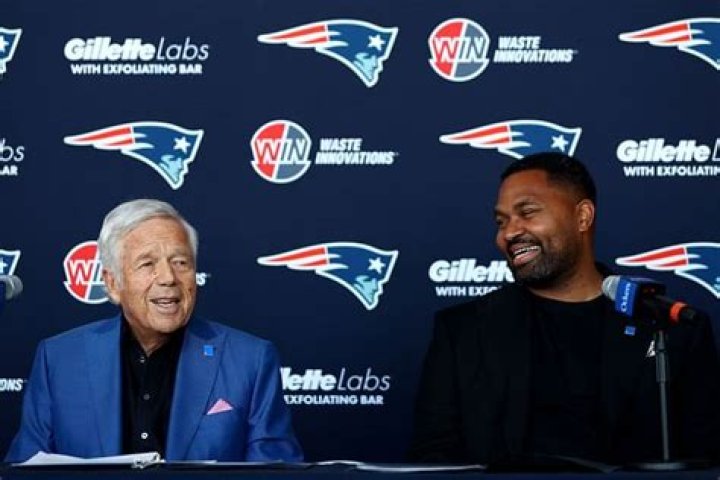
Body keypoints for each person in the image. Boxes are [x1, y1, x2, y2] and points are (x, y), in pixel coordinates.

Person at [408, 152, 720, 466]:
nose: (509, 233)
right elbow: (435, 461)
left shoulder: (673, 329)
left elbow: (705, 461)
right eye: (501, 222)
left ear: (582, 216)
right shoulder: (462, 332)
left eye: (527, 212)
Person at [5, 199, 303, 462]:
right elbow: (26, 468)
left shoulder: (251, 360)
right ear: (112, 284)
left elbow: (275, 471)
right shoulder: (59, 359)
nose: (168, 277)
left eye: (181, 262)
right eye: (147, 264)